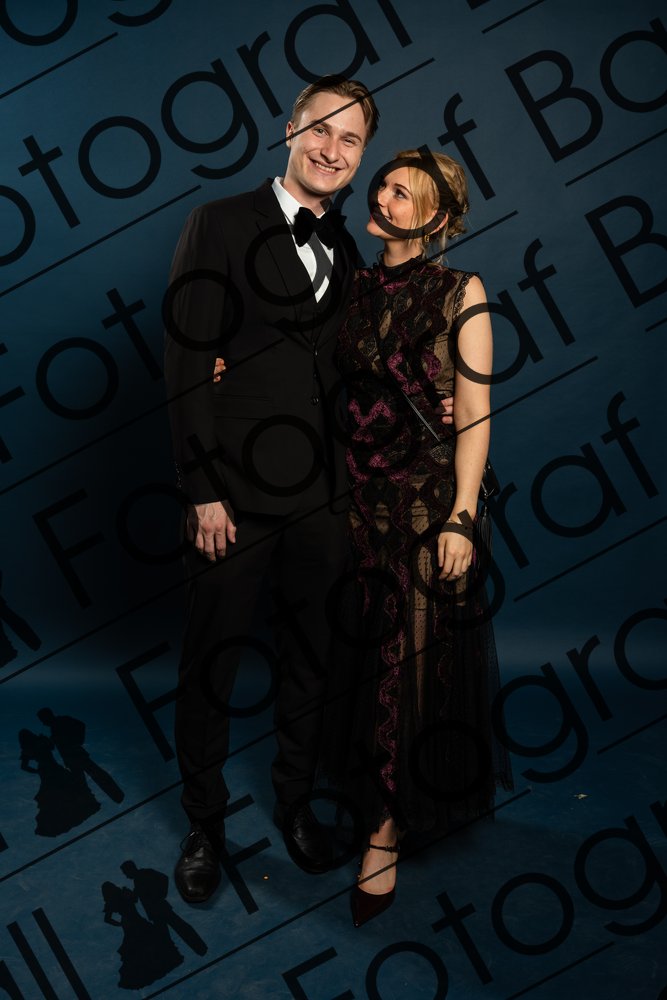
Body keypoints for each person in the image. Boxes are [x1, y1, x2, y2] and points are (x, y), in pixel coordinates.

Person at [163, 75, 381, 904]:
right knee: (211, 663)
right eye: (320, 130)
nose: (331, 149)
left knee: (311, 659)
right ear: (289, 130)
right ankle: (204, 822)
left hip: (323, 495)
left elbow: (347, 370)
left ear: (360, 155)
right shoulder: (217, 222)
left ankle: (294, 804)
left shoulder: (350, 248)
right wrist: (202, 488)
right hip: (233, 498)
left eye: (350, 139)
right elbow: (188, 359)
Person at [320, 149, 513, 926]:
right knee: (365, 655)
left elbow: (473, 412)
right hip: (354, 501)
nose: (383, 197)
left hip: (429, 501)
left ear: (434, 218)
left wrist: (462, 513)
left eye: (403, 193)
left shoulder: (460, 290)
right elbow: (308, 368)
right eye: (383, 185)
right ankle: (368, 796)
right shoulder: (349, 284)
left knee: (410, 663)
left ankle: (384, 833)